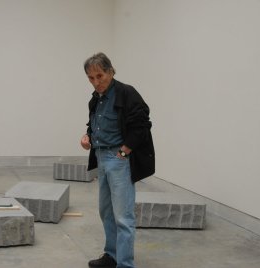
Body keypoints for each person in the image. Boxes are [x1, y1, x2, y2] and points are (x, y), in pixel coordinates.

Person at [80, 52, 155, 268]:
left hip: (119, 160)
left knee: (123, 216)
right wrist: (87, 137)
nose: (96, 82)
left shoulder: (126, 93)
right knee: (106, 212)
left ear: (111, 71)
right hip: (102, 158)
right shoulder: (96, 98)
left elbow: (142, 124)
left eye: (100, 76)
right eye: (91, 78)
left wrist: (124, 151)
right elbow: (94, 124)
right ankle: (111, 256)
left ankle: (125, 264)